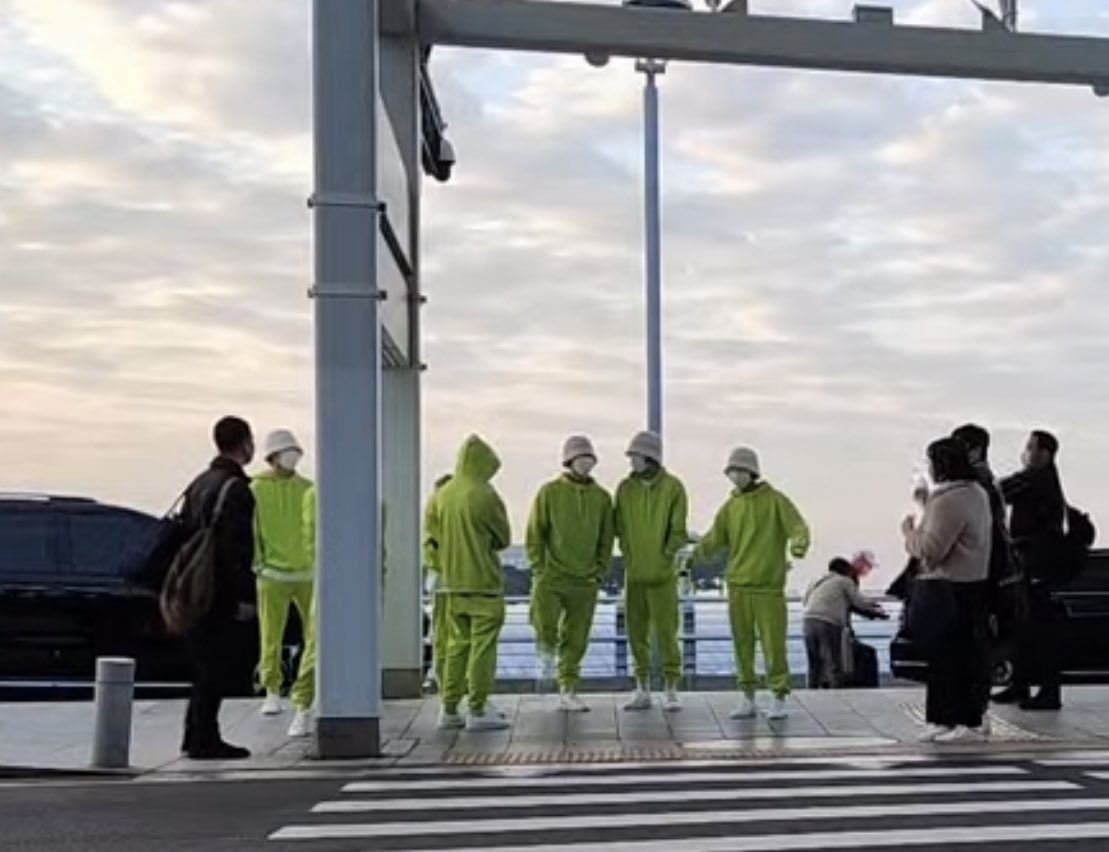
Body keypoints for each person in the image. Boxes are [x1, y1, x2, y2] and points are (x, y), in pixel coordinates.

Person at [688, 447, 810, 720]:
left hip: (768, 588)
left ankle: (778, 696)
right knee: (742, 646)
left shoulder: (776, 501)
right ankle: (747, 697)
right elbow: (713, 539)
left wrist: (798, 546)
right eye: (731, 471)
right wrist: (691, 559)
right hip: (738, 587)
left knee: (773, 645)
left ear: (752, 472)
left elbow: (797, 526)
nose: (735, 475)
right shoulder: (730, 507)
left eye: (740, 470)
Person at [903, 437, 992, 743]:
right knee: (966, 655)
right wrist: (926, 502)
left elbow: (930, 550)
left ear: (940, 465)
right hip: (974, 584)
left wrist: (909, 531)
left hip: (946, 587)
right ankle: (967, 719)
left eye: (931, 462)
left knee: (943, 657)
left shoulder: (949, 500)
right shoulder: (976, 493)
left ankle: (947, 719)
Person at [179, 416, 258, 760]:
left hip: (194, 585)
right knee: (217, 665)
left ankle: (195, 733)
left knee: (202, 663)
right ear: (244, 443)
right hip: (220, 589)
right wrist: (244, 595)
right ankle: (204, 739)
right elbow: (237, 548)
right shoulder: (235, 488)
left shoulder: (199, 484)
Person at [429, 435, 512, 732]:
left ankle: (449, 707)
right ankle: (477, 708)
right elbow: (503, 538)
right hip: (483, 583)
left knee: (456, 646)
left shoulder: (443, 494)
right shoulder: (485, 495)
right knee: (483, 647)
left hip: (451, 583)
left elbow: (433, 533)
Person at [526, 436, 615, 712]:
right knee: (544, 624)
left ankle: (568, 688)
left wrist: (600, 571)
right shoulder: (549, 492)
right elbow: (534, 532)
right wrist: (539, 567)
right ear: (569, 460)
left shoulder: (602, 498)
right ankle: (546, 657)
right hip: (551, 576)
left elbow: (606, 537)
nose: (585, 462)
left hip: (585, 579)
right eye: (580, 457)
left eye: (589, 457)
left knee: (578, 637)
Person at [993, 430, 1068, 711]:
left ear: (1044, 453)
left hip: (1037, 565)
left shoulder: (1036, 478)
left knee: (1039, 630)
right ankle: (1021, 685)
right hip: (1032, 563)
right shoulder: (1046, 478)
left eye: (1029, 447)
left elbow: (1001, 490)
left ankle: (1048, 692)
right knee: (1023, 628)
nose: (1025, 453)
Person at [614, 431, 689, 713]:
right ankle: (641, 688)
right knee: (636, 634)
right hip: (633, 575)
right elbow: (618, 524)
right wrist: (629, 553)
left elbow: (678, 529)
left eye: (635, 456)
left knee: (668, 633)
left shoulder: (673, 487)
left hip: (663, 576)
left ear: (650, 456)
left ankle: (671, 688)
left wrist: (665, 555)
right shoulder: (624, 488)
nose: (631, 461)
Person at [251, 430, 315, 738]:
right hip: (272, 573)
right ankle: (272, 690)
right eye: (288, 451)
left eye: (296, 451)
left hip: (307, 572)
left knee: (313, 636)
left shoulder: (309, 488)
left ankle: (307, 691)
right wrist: (259, 564)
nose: (293, 456)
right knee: (270, 635)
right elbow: (252, 531)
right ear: (273, 456)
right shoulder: (256, 489)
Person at [802, 557, 885, 689]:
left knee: (814, 661)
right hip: (829, 621)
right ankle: (837, 693)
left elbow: (805, 601)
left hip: (808, 620)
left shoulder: (816, 581)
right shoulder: (844, 581)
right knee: (834, 662)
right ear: (846, 570)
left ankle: (811, 691)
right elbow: (858, 602)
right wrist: (875, 608)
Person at [423, 473, 454, 692]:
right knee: (444, 636)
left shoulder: (434, 520)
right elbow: (431, 552)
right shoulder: (435, 522)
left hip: (448, 582)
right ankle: (447, 688)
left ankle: (452, 687)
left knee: (448, 637)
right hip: (445, 584)